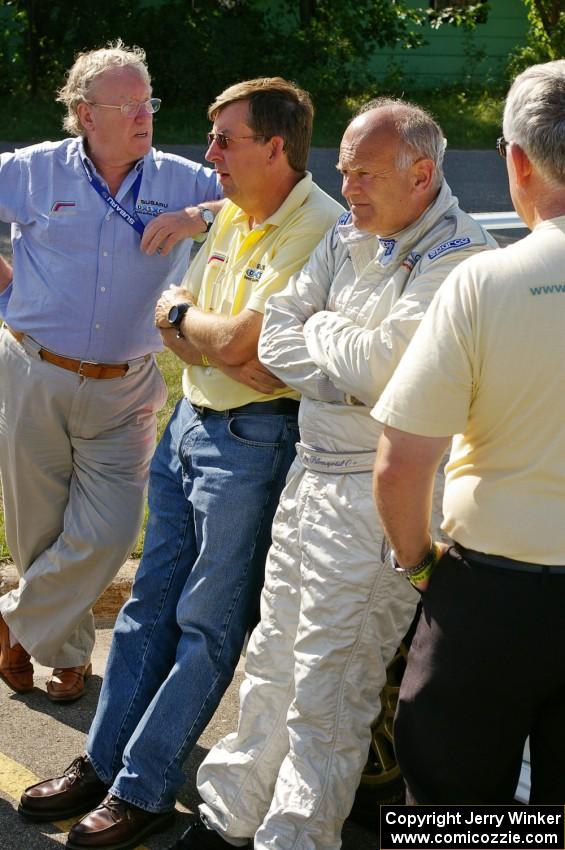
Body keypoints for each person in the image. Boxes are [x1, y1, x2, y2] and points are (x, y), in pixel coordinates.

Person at [19, 77, 343, 849]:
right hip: (191, 419)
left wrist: (202, 329)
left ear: (274, 146)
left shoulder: (318, 227)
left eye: (224, 140)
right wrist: (199, 327)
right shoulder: (231, 209)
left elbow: (240, 347)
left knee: (205, 623)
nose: (208, 155)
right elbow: (180, 316)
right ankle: (103, 762)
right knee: (145, 608)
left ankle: (146, 786)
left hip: (253, 441)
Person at [172, 98, 496, 850]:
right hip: (310, 474)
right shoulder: (350, 233)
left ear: (422, 173)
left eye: (365, 174)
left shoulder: (461, 258)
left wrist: (316, 335)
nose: (347, 189)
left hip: (378, 490)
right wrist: (328, 346)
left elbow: (383, 372)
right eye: (342, 171)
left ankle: (294, 837)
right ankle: (228, 821)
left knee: (330, 685)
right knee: (270, 662)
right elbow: (277, 329)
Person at [0, 41, 223, 702]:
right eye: (123, 104)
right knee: (40, 527)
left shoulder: (183, 180)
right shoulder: (36, 171)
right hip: (33, 372)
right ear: (82, 112)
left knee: (111, 530)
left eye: (146, 101)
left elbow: (267, 202)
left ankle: (13, 625)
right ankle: (64, 654)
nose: (141, 115)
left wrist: (198, 216)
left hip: (126, 384)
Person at [372, 61, 565, 804]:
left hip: (492, 600)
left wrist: (420, 568)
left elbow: (399, 465)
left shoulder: (482, 282)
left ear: (515, 162)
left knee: (456, 810)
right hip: (498, 591)